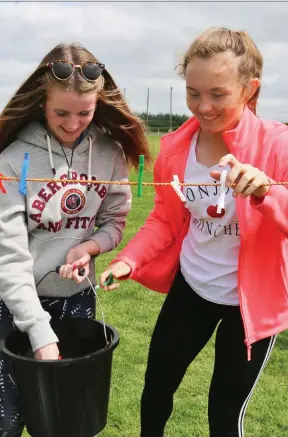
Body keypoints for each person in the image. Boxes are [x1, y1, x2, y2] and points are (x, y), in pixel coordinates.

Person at [100, 27, 288, 437]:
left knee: (224, 413)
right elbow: (165, 220)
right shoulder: (174, 149)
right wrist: (128, 260)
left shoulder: (278, 146)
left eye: (217, 94)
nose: (202, 107)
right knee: (156, 390)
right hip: (193, 288)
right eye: (193, 93)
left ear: (249, 88)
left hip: (250, 304)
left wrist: (267, 194)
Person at [0, 43, 151, 436]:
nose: (73, 123)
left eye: (84, 113)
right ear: (42, 101)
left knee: (69, 420)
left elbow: (114, 221)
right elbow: (8, 258)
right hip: (19, 306)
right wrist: (39, 333)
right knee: (11, 420)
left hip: (78, 301)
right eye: (61, 112)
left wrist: (89, 248)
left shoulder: (109, 154)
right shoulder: (13, 161)